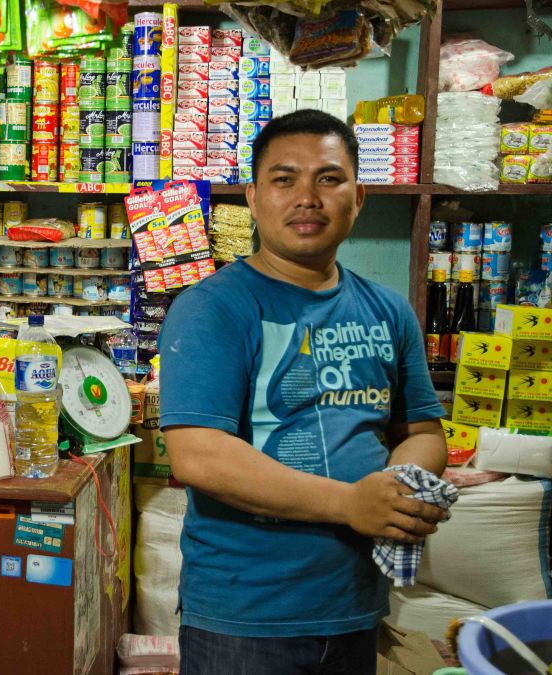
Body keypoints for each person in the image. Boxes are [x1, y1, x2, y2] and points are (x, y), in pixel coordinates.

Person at [158, 110, 449, 674]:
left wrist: (399, 486)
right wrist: (350, 504)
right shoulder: (213, 308)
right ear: (254, 197)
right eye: (284, 179)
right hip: (246, 615)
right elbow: (199, 456)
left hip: (352, 604)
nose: (307, 198)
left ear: (358, 196)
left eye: (329, 178)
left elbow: (422, 431)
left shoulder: (388, 309)